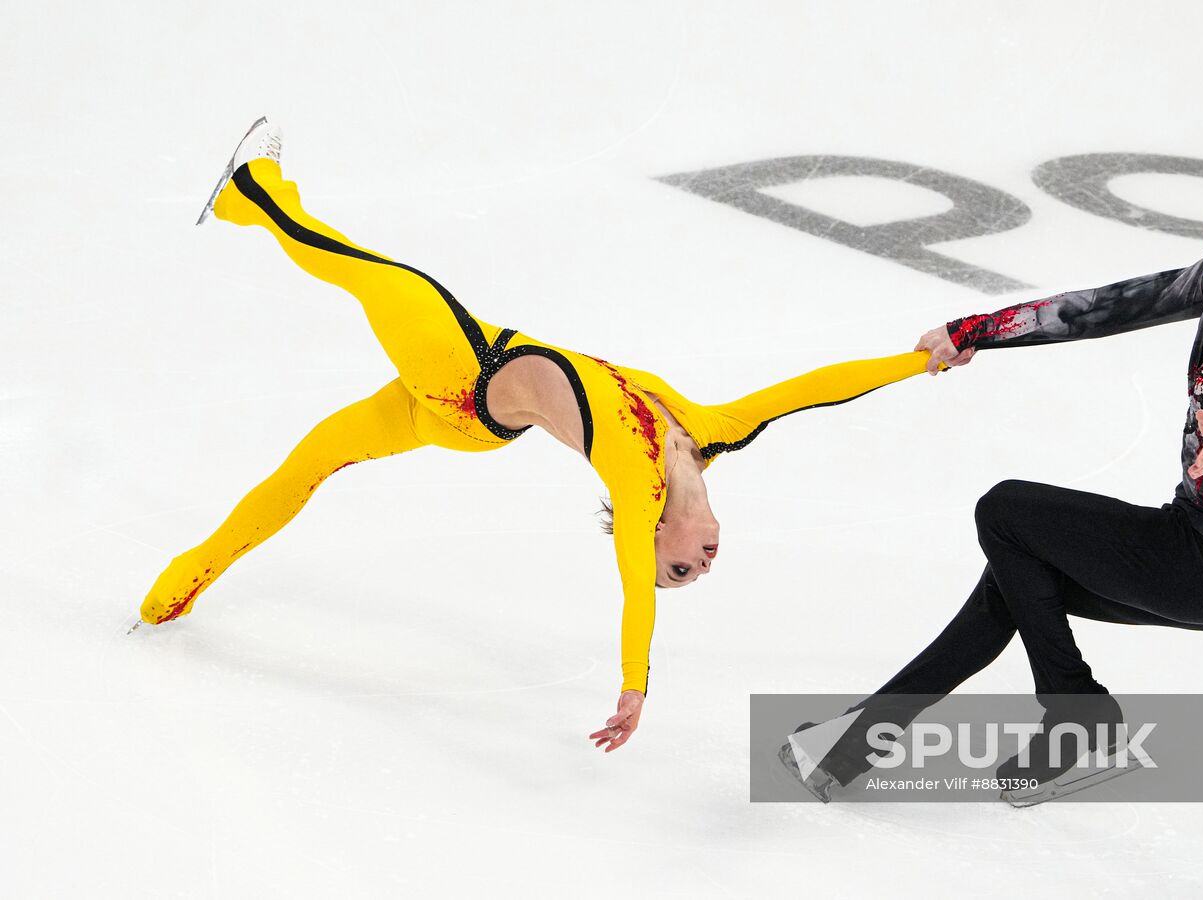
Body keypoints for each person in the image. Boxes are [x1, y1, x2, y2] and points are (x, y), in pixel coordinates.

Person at [138, 118, 934, 752]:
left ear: (654, 532)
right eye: (692, 572)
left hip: (461, 372)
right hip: (472, 413)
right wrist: (918, 360)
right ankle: (172, 593)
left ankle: (252, 189)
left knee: (370, 272)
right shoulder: (715, 434)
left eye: (681, 570)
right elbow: (816, 389)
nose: (702, 565)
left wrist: (634, 684)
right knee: (305, 469)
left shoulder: (637, 482)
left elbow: (631, 586)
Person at [786, 166, 1203, 802]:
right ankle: (848, 749)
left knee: (1006, 511)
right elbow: (1101, 308)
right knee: (1012, 581)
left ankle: (1077, 711)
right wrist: (975, 330)